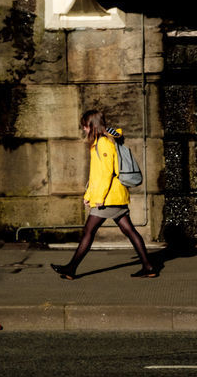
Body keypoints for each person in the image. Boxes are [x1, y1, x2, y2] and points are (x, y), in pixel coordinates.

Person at [51, 109, 158, 280]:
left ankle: (71, 269)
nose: (84, 129)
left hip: (108, 198)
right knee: (129, 230)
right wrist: (88, 194)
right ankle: (148, 266)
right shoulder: (102, 142)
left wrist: (98, 198)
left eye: (85, 126)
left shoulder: (104, 143)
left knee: (88, 232)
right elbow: (96, 175)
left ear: (92, 125)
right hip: (114, 196)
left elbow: (106, 175)